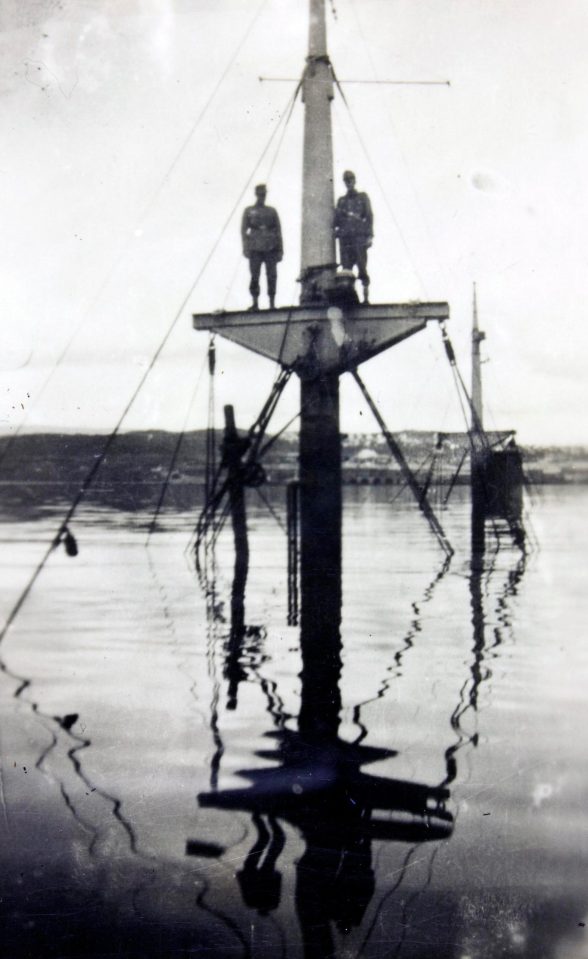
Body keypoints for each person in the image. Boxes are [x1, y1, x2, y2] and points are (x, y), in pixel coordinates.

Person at [333, 170, 373, 303]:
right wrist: (335, 230)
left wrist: (369, 236)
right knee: (346, 269)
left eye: (350, 180)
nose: (349, 182)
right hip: (346, 240)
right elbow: (336, 220)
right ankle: (350, 297)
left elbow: (369, 216)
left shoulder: (362, 197)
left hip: (359, 238)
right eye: (346, 180)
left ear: (354, 181)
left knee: (362, 267)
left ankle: (366, 297)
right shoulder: (341, 201)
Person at [241, 184, 283, 310]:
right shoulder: (249, 211)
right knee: (254, 275)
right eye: (260, 194)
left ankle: (272, 303)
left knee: (272, 275)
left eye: (263, 194)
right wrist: (245, 247)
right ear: (256, 194)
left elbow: (278, 231)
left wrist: (280, 250)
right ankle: (255, 302)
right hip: (255, 247)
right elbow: (243, 230)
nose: (262, 197)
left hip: (271, 246)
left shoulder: (272, 211)